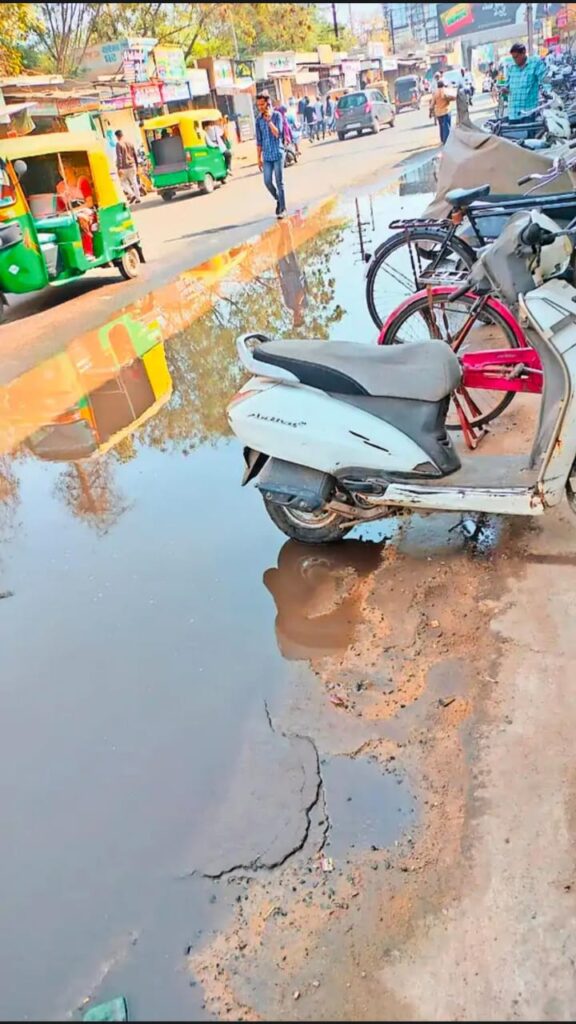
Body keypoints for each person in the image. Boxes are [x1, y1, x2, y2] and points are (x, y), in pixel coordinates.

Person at [255, 92, 286, 219]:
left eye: (262, 104)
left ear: (268, 103)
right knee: (267, 181)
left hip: (278, 153)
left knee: (279, 182)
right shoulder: (258, 120)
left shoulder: (277, 116)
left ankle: (283, 209)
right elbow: (259, 141)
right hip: (267, 156)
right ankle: (279, 199)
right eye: (258, 105)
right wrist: (258, 158)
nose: (260, 107)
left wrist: (269, 121)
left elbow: (278, 133)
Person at [506, 42, 547, 119]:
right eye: (513, 57)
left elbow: (545, 80)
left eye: (516, 57)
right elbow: (507, 85)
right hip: (513, 113)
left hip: (529, 112)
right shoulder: (511, 68)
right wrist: (505, 90)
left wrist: (549, 92)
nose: (515, 60)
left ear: (524, 52)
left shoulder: (535, 63)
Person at [115, 130, 140, 205]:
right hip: (132, 165)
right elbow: (135, 154)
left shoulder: (118, 144)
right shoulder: (130, 143)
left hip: (124, 167)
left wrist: (119, 168)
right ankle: (138, 198)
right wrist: (137, 165)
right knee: (134, 181)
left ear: (117, 136)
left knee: (123, 182)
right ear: (123, 135)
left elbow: (119, 156)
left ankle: (132, 194)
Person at [429, 79, 455, 144]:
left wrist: (430, 113)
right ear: (443, 85)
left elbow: (432, 104)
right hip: (446, 111)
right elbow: (450, 97)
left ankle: (443, 140)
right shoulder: (445, 90)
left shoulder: (435, 93)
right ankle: (447, 140)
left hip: (438, 113)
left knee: (441, 127)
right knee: (447, 126)